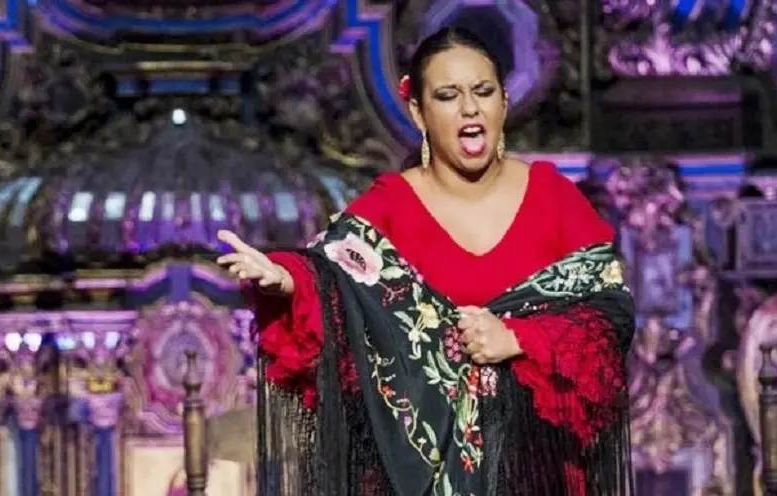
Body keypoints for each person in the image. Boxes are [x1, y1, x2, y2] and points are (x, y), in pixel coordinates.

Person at [216, 27, 635, 496]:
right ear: (419, 112)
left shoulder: (554, 197)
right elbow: (329, 277)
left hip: (538, 476)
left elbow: (609, 314)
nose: (469, 108)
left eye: (483, 91)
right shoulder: (391, 204)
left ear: (503, 102)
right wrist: (283, 279)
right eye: (448, 96)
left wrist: (519, 338)